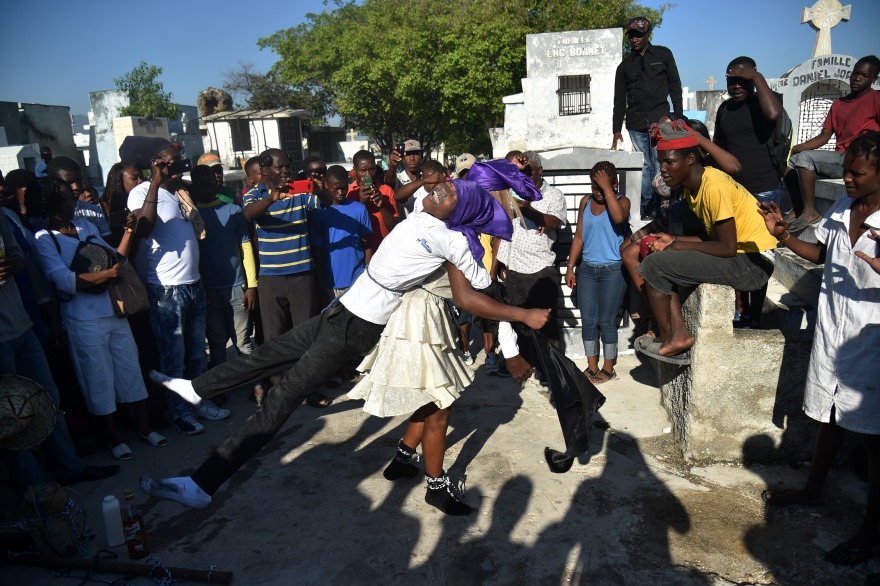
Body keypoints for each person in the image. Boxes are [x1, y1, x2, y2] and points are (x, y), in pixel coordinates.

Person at [140, 179, 550, 510]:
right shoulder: (425, 207)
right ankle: (195, 388)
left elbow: (472, 293)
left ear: (458, 214)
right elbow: (476, 180)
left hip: (357, 327)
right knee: (270, 353)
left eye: (451, 194)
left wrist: (521, 315)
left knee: (283, 397)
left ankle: (202, 483)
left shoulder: (454, 241)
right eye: (445, 184)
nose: (441, 188)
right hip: (340, 309)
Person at [759, 132, 880, 567]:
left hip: (871, 340)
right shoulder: (844, 208)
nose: (846, 179)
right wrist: (784, 236)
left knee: (871, 436)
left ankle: (871, 530)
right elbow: (822, 253)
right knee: (831, 414)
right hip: (834, 331)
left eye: (857, 173)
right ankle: (814, 488)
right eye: (845, 170)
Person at [33, 179, 166, 459]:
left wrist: (128, 233)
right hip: (83, 321)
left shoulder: (86, 227)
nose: (75, 202)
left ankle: (144, 427)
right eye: (68, 199)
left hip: (113, 312)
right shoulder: (44, 238)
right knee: (97, 379)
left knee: (130, 368)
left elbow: (115, 260)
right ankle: (113, 438)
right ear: (53, 206)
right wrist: (107, 275)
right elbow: (63, 279)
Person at [635, 120, 776, 360]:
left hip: (753, 263)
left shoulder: (713, 187)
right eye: (660, 163)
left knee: (652, 266)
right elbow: (715, 237)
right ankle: (677, 334)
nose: (663, 170)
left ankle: (671, 337)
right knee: (658, 254)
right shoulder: (694, 187)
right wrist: (674, 239)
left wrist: (677, 245)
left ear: (690, 159)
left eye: (669, 162)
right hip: (741, 256)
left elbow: (727, 247)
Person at [0, 211, 119, 489]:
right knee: (9, 416)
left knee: (47, 399)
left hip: (21, 325)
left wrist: (14, 263)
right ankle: (36, 492)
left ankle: (69, 467)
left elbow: (18, 253)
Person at [122, 136, 230, 435]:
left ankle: (199, 401)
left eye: (179, 162)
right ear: (155, 164)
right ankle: (179, 412)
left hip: (193, 283)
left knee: (197, 352)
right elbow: (143, 229)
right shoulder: (142, 193)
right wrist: (155, 183)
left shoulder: (181, 192)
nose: (177, 169)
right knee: (173, 359)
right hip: (166, 290)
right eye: (170, 164)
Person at [243, 148, 330, 409]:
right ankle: (281, 390)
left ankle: (309, 388)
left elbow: (323, 203)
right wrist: (272, 198)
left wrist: (319, 187)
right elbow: (249, 215)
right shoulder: (254, 194)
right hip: (270, 278)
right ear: (266, 170)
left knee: (305, 335)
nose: (285, 172)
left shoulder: (301, 192)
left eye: (287, 167)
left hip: (302, 274)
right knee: (274, 337)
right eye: (280, 168)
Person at [787, 55, 880, 229]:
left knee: (805, 158)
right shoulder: (839, 104)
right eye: (855, 73)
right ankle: (798, 207)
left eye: (864, 76)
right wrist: (798, 148)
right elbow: (824, 136)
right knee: (791, 161)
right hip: (840, 157)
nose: (857, 78)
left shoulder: (876, 99)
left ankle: (810, 212)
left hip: (859, 161)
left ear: (874, 79)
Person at [612, 16, 683, 220]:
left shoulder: (663, 54)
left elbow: (675, 86)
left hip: (661, 121)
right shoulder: (624, 67)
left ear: (648, 35)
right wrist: (616, 129)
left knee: (661, 162)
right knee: (643, 165)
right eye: (631, 35)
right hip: (635, 123)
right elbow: (619, 100)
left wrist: (678, 116)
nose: (634, 39)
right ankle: (647, 204)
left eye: (639, 35)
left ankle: (663, 202)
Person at [565, 161, 630, 384]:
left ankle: (608, 368)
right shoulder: (585, 202)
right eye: (595, 187)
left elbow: (619, 218)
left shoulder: (622, 202)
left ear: (614, 184)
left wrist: (607, 190)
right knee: (589, 320)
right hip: (587, 271)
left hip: (613, 271)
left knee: (606, 320)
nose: (599, 193)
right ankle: (592, 366)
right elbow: (579, 237)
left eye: (603, 188)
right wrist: (571, 267)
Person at [494, 151, 567, 347]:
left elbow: (554, 222)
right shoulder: (508, 192)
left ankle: (549, 373)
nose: (523, 177)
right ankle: (527, 368)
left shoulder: (553, 195)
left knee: (546, 327)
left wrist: (528, 209)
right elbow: (501, 229)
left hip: (539, 270)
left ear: (540, 171)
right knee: (519, 326)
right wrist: (498, 265)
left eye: (528, 172)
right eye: (520, 173)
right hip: (513, 267)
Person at [189, 165, 258, 369]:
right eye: (202, 185)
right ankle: (221, 387)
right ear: (194, 187)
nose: (208, 188)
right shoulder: (192, 217)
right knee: (217, 343)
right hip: (209, 290)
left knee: (243, 341)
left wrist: (251, 285)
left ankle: (255, 385)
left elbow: (245, 248)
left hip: (237, 288)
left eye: (211, 182)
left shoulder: (234, 211)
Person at [311, 165, 373, 301]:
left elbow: (367, 244)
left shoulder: (359, 209)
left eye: (344, 188)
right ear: (326, 185)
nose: (341, 192)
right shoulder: (319, 214)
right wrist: (320, 283)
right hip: (331, 282)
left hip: (357, 280)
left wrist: (368, 273)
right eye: (336, 188)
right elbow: (318, 252)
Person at [47, 156, 111, 238]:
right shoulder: (45, 216)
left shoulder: (94, 211)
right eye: (70, 182)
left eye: (79, 180)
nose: (76, 187)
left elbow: (108, 244)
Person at [348, 150, 398, 251]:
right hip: (360, 252)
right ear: (355, 171)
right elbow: (349, 228)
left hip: (385, 250)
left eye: (371, 170)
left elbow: (395, 228)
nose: (368, 175)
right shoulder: (349, 193)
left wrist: (382, 206)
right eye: (363, 170)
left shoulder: (386, 190)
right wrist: (361, 204)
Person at [387, 139, 423, 217]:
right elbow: (389, 182)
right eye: (408, 154)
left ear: (421, 157)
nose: (412, 158)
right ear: (402, 158)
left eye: (415, 154)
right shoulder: (398, 178)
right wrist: (393, 166)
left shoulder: (426, 179)